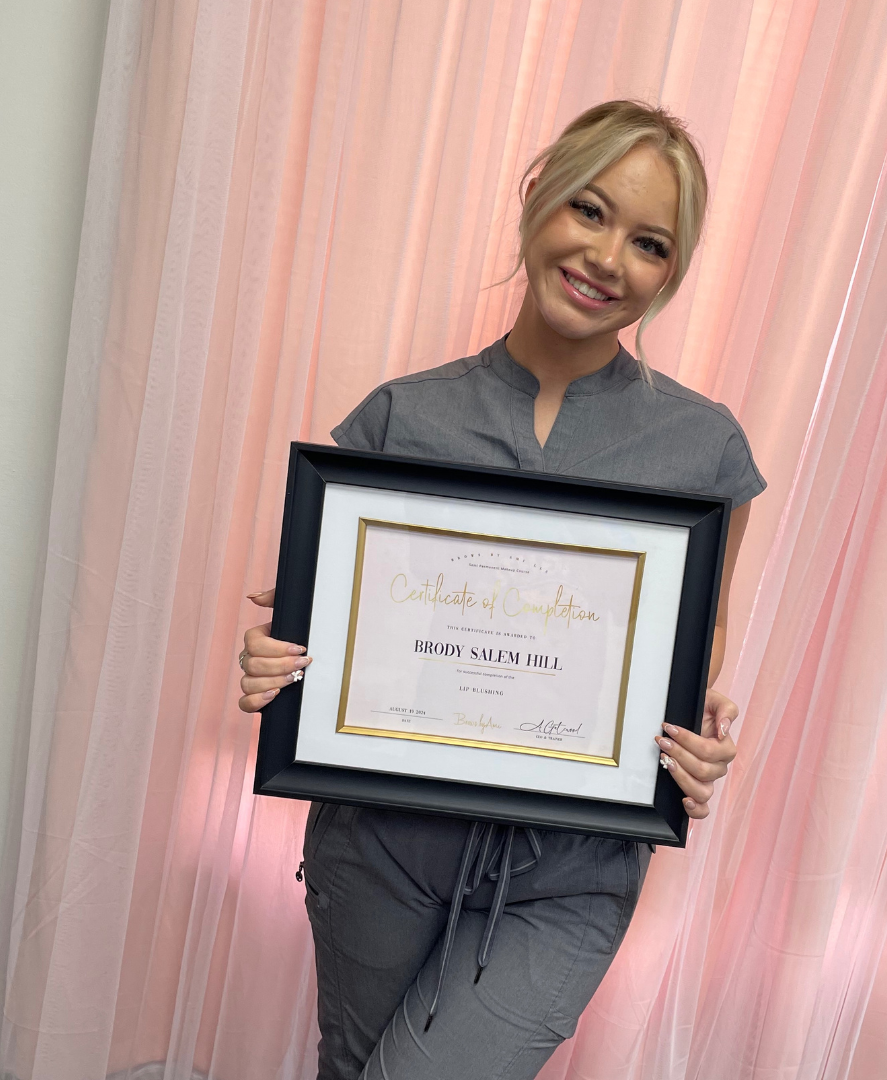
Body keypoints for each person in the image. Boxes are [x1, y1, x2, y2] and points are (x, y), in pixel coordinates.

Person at [237, 100, 766, 1080]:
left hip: (571, 870)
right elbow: (335, 637)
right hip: (379, 849)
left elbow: (705, 632)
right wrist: (283, 664)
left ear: (670, 273)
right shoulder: (398, 419)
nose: (609, 257)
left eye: (650, 243)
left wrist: (699, 726)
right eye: (591, 211)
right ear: (539, 198)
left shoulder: (705, 448)